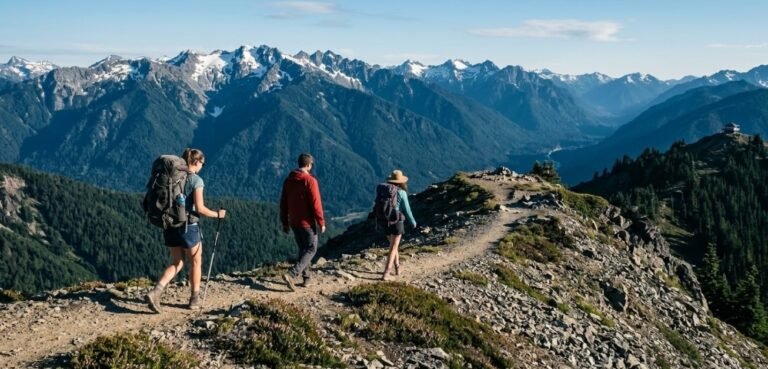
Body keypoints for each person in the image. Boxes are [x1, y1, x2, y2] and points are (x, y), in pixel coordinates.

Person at [145, 148, 226, 312]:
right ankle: (194, 299)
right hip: (189, 226)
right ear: (196, 162)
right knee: (196, 261)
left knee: (177, 262)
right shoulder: (195, 180)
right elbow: (200, 208)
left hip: (169, 223)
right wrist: (218, 214)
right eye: (202, 163)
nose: (202, 166)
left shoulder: (173, 177)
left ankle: (156, 291)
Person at [280, 153, 326, 291]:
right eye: (311, 164)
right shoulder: (310, 181)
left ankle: (306, 278)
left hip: (294, 221)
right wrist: (321, 222)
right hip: (307, 222)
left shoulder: (289, 180)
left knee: (303, 249)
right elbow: (316, 204)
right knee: (312, 248)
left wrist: (285, 222)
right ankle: (292, 274)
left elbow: (283, 203)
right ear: (308, 164)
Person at [381, 170, 417, 281]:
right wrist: (413, 222)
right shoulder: (402, 193)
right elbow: (407, 210)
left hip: (385, 221)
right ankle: (386, 273)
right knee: (393, 247)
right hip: (397, 222)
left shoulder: (384, 191)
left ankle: (397, 268)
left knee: (393, 245)